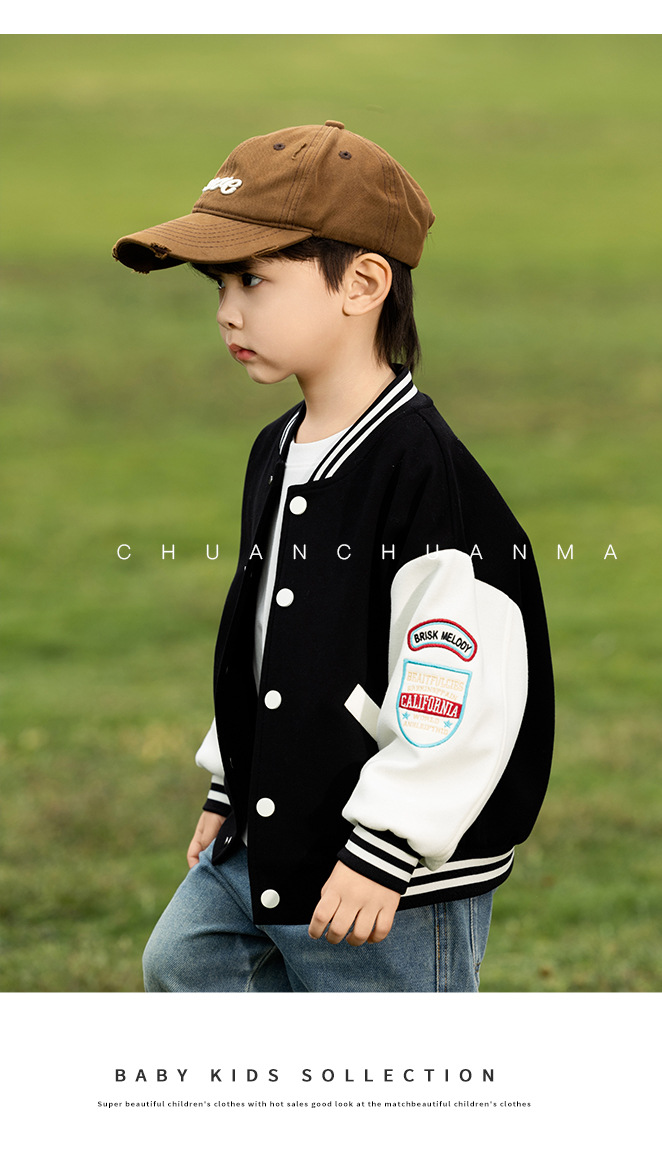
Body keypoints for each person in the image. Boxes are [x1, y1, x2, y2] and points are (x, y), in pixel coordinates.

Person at [112, 120, 554, 993]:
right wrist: (232, 779)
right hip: (278, 817)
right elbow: (270, 634)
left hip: (389, 869)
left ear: (363, 284)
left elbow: (458, 683)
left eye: (252, 279)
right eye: (219, 284)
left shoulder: (423, 475)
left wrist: (388, 845)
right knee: (184, 963)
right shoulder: (277, 449)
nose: (226, 309)